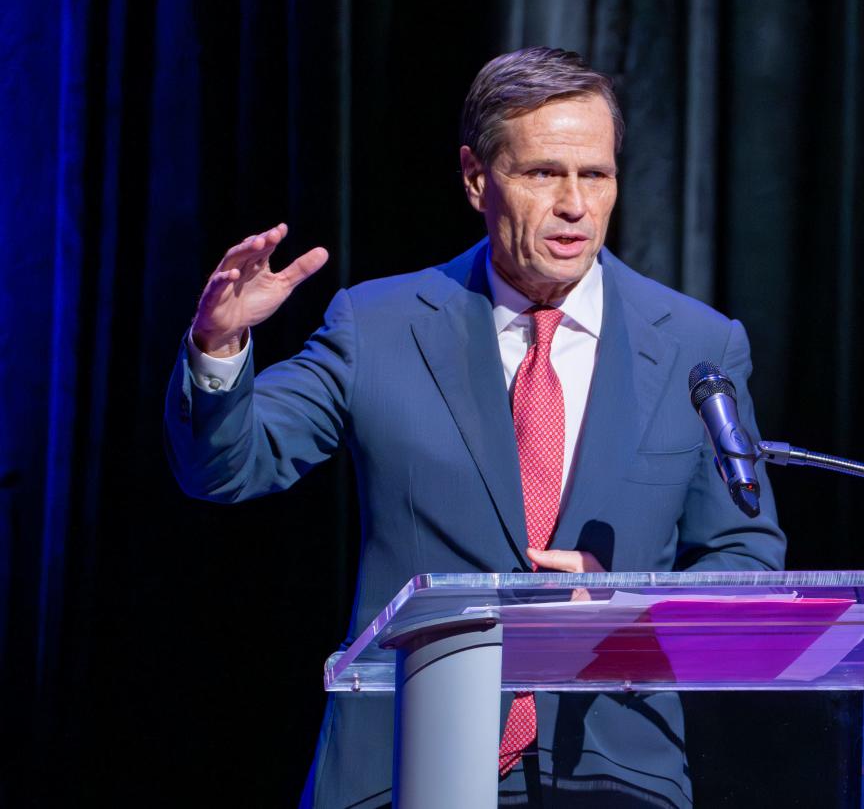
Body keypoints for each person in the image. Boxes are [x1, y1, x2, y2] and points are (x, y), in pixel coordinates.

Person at [165, 47, 784, 808]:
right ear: (474, 177)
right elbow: (228, 467)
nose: (574, 205)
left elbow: (746, 557)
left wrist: (635, 605)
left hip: (612, 773)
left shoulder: (698, 346)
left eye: (596, 175)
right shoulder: (382, 325)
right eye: (542, 173)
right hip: (403, 766)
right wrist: (218, 348)